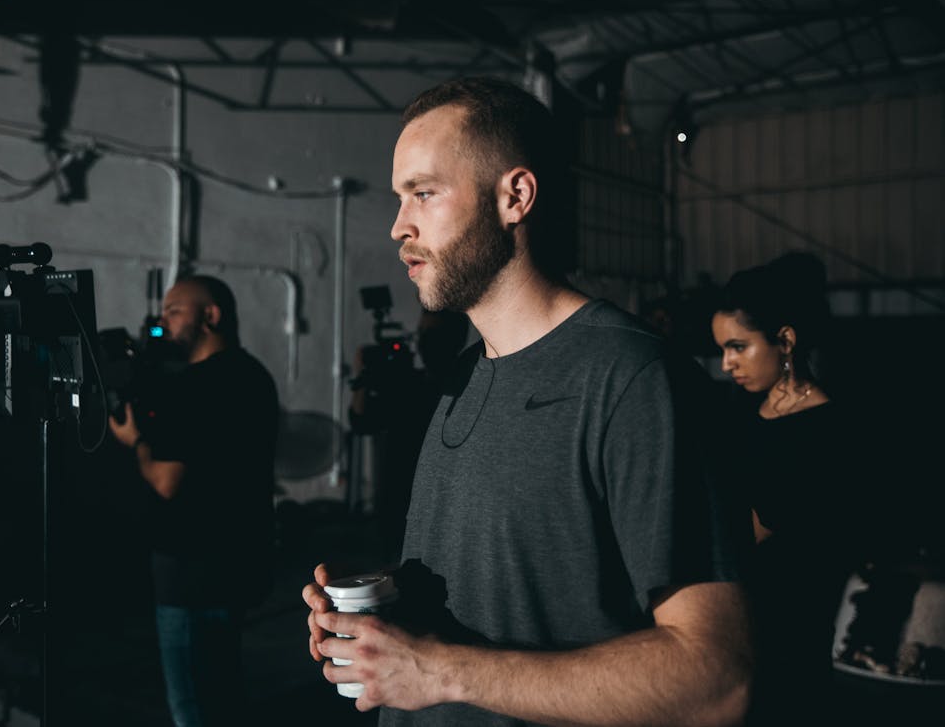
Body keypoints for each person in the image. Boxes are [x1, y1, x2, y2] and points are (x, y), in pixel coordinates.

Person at [303, 76, 753, 726]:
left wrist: (434, 669)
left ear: (514, 196)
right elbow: (513, 596)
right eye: (401, 198)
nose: (399, 225)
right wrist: (382, 614)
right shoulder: (465, 376)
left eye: (424, 194)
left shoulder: (632, 379)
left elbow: (716, 681)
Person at [109, 274, 278, 727]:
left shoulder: (196, 386)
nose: (162, 322)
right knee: (224, 691)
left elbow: (166, 479)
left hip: (191, 572)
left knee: (193, 708)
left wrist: (135, 439)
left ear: (211, 316)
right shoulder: (254, 375)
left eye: (174, 311)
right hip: (237, 561)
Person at [711, 252, 868, 725]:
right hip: (737, 609)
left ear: (785, 341)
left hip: (790, 616)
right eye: (722, 349)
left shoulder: (826, 428)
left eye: (738, 347)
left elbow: (757, 529)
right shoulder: (743, 407)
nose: (726, 364)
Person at [349, 308, 469, 558]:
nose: (423, 340)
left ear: (453, 339)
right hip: (393, 506)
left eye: (432, 334)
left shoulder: (466, 388)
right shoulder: (405, 383)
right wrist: (364, 377)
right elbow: (361, 421)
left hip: (440, 511)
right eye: (421, 332)